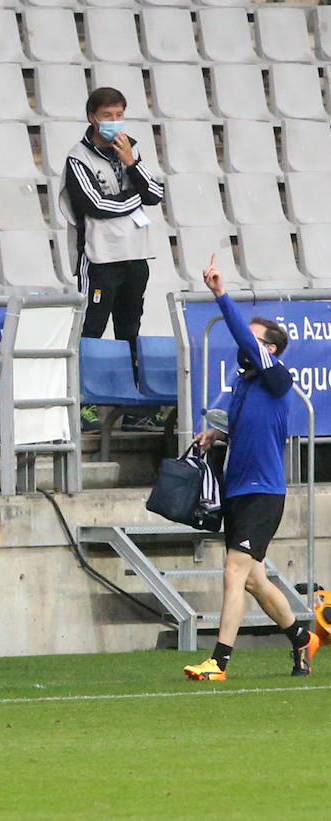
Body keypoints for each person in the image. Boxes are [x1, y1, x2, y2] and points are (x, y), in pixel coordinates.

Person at [184, 255, 320, 680]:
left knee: (233, 571)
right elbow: (240, 427)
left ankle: (218, 661)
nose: (244, 345)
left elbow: (243, 333)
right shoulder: (245, 384)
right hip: (238, 489)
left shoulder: (278, 376)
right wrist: (215, 435)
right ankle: (302, 638)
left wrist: (221, 295)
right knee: (254, 580)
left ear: (270, 349)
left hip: (263, 490)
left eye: (254, 341)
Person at [60, 86, 166, 430]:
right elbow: (97, 206)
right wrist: (132, 198)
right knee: (91, 329)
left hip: (135, 255)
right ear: (93, 118)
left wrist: (131, 164)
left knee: (129, 329)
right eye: (107, 116)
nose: (114, 122)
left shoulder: (130, 148)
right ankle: (83, 403)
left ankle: (134, 408)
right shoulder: (78, 157)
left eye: (119, 115)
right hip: (100, 257)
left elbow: (155, 193)